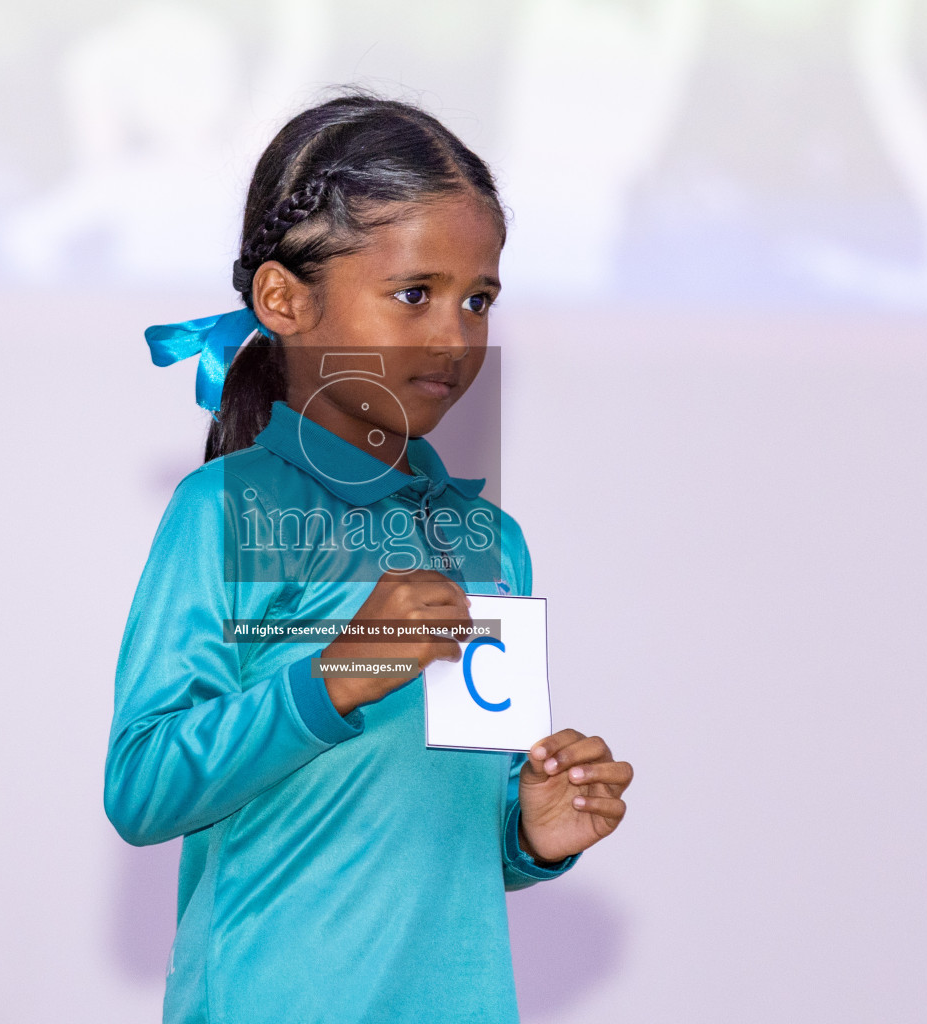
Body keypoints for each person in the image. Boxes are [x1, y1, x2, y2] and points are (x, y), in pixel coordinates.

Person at [104, 93, 633, 1024]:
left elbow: (450, 811)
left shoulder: (489, 543)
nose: (455, 336)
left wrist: (533, 835)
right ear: (285, 299)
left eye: (478, 300)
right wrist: (338, 674)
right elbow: (144, 788)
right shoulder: (225, 509)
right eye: (415, 294)